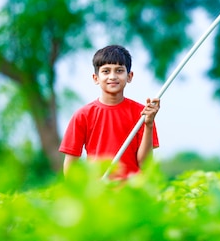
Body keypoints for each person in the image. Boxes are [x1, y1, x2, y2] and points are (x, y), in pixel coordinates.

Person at [59, 45, 160, 180]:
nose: (112, 76)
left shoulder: (143, 114)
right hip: (98, 194)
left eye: (119, 71)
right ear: (96, 78)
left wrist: (149, 124)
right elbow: (71, 165)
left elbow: (144, 164)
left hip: (132, 193)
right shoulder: (82, 115)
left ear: (129, 76)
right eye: (106, 71)